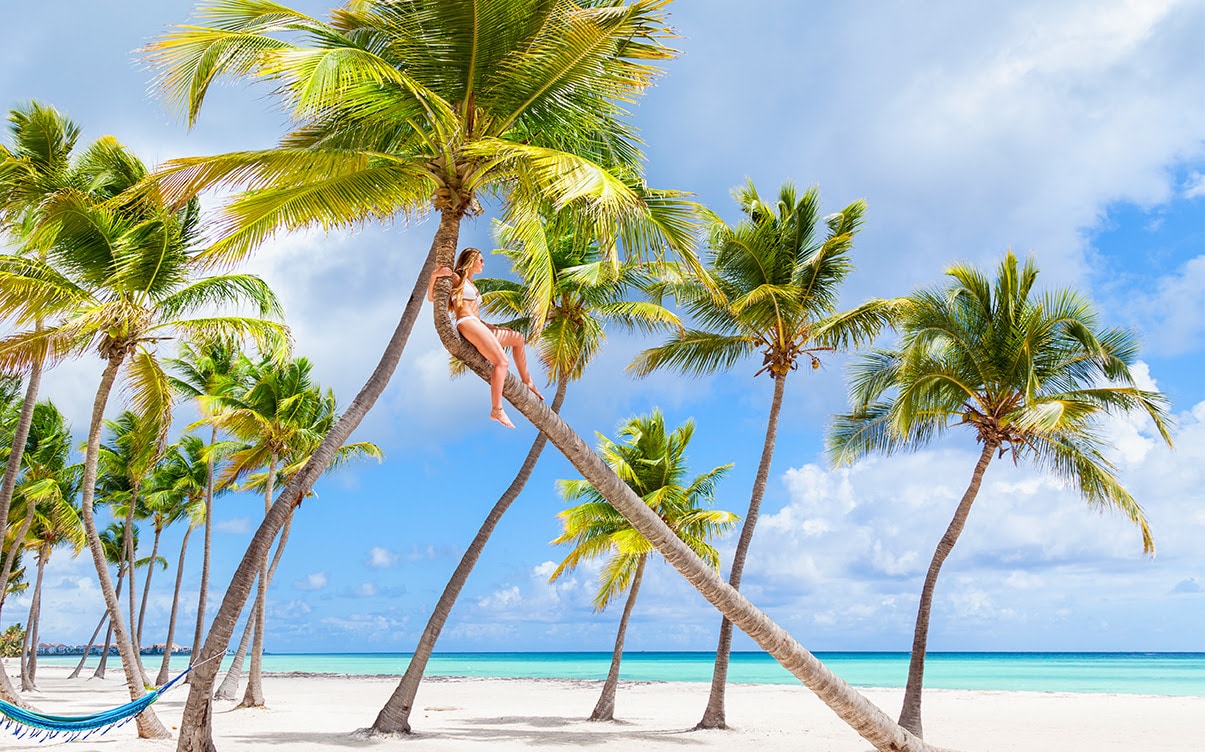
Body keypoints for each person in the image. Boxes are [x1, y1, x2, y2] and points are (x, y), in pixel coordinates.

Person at [428, 247, 544, 428]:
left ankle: (528, 381)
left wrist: (492, 327)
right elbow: (432, 298)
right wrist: (435, 275)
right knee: (502, 362)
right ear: (471, 260)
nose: (483, 263)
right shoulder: (456, 278)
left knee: (518, 338)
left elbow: (477, 314)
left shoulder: (472, 284)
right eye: (480, 260)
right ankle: (496, 409)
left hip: (478, 324)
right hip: (467, 322)